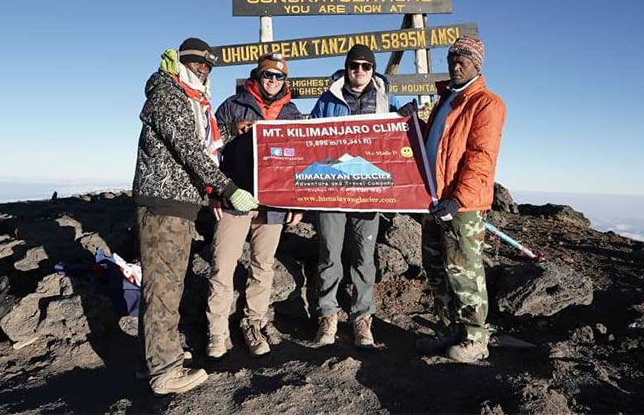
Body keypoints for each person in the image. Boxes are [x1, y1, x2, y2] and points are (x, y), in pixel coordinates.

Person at [132, 37, 258, 395]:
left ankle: (155, 359)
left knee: (165, 284)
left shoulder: (190, 99)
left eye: (208, 66)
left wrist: (234, 130)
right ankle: (165, 372)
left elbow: (201, 143)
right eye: (198, 64)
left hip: (176, 203)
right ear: (182, 62)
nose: (203, 71)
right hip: (163, 202)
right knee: (164, 287)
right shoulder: (168, 93)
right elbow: (188, 149)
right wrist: (228, 187)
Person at [309, 44, 411, 348]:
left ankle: (362, 319)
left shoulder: (385, 98)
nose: (360, 71)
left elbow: (401, 140)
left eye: (367, 66)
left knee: (364, 257)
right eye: (355, 65)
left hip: (370, 190)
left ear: (374, 69)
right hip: (331, 189)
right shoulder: (328, 99)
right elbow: (309, 137)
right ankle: (328, 315)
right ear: (347, 66)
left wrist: (407, 117)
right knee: (329, 252)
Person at [206, 54, 304, 358]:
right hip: (235, 197)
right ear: (257, 76)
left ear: (285, 81)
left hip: (274, 202)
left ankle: (253, 323)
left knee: (262, 266)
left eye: (279, 76)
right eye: (267, 75)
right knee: (222, 265)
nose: (273, 81)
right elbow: (208, 145)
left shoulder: (291, 113)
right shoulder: (233, 104)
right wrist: (213, 191)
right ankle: (216, 332)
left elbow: (300, 160)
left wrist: (297, 201)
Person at [417, 36, 506, 363]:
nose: (456, 65)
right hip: (432, 201)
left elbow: (482, 157)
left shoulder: (486, 103)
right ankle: (447, 331)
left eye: (463, 61)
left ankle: (475, 338)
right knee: (436, 268)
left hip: (461, 206)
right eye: (452, 58)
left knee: (464, 269)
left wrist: (457, 199)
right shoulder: (446, 100)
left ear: (476, 66)